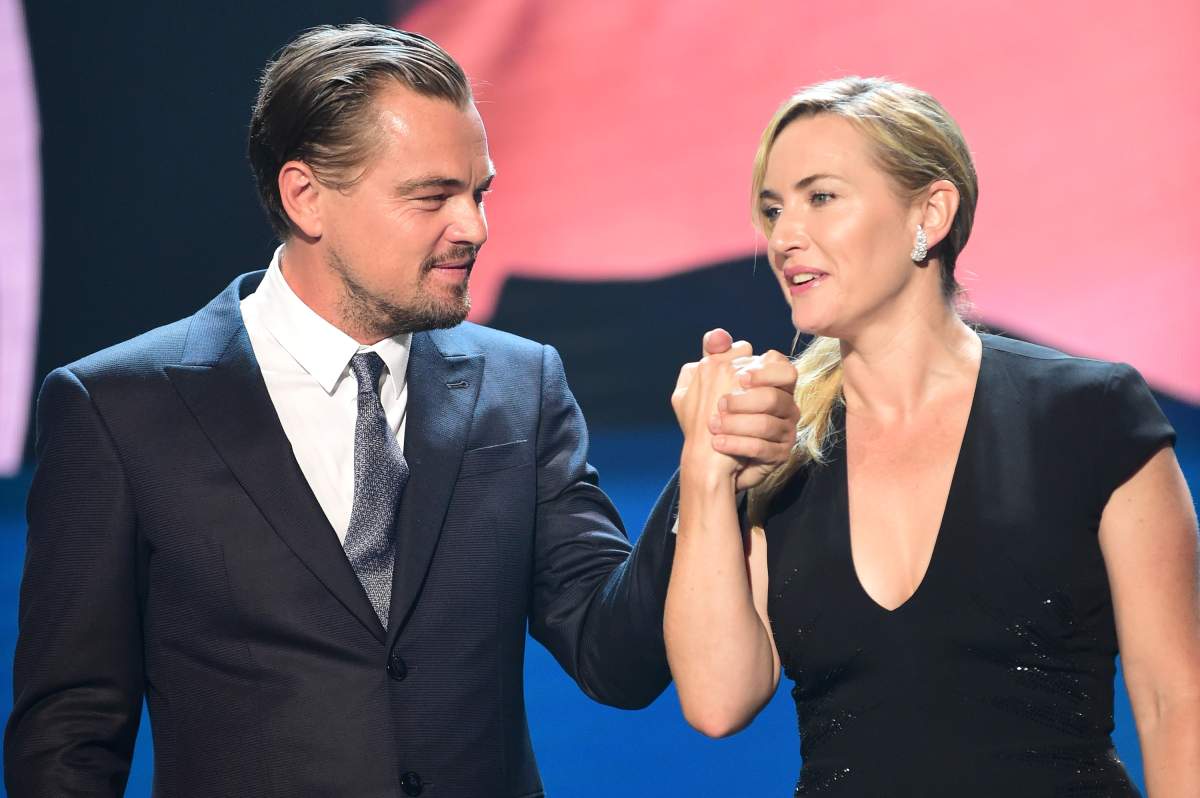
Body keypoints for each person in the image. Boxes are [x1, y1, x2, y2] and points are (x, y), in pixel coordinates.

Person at [4, 24, 802, 798]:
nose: (476, 228)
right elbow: (71, 734)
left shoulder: (520, 385)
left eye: (479, 192)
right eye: (433, 197)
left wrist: (704, 464)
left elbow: (614, 659)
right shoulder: (120, 407)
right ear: (307, 196)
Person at [665, 77, 1200, 796]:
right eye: (772, 208)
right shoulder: (783, 441)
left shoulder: (1090, 412)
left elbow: (1176, 702)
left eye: (820, 197)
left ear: (932, 212)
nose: (784, 237)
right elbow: (716, 700)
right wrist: (706, 471)